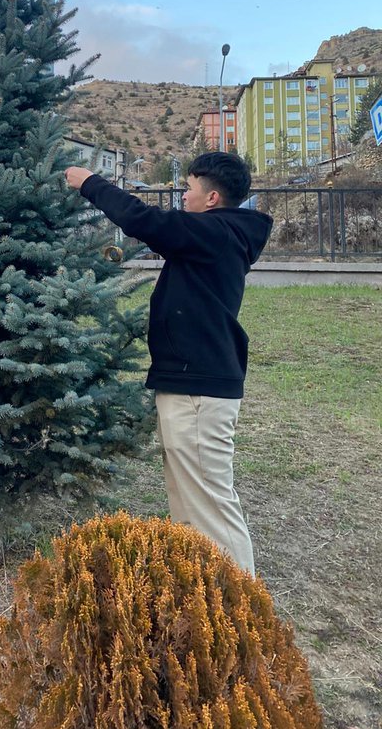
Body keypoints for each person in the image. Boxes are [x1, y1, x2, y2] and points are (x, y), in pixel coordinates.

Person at [65, 152, 272, 574]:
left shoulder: (217, 232)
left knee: (210, 504)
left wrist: (90, 182)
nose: (182, 197)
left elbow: (146, 221)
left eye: (189, 189)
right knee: (190, 505)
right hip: (189, 383)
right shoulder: (215, 236)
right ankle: (205, 593)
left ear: (212, 198)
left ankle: (244, 602)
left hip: (200, 390)